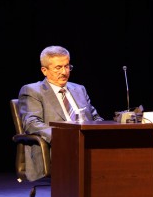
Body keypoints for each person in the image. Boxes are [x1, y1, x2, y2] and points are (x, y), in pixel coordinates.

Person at [18, 45, 103, 181]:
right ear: (44, 70)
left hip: (87, 143)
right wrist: (63, 137)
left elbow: (95, 118)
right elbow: (32, 123)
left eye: (67, 66)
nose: (64, 72)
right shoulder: (32, 91)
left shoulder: (79, 89)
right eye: (58, 68)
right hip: (57, 147)